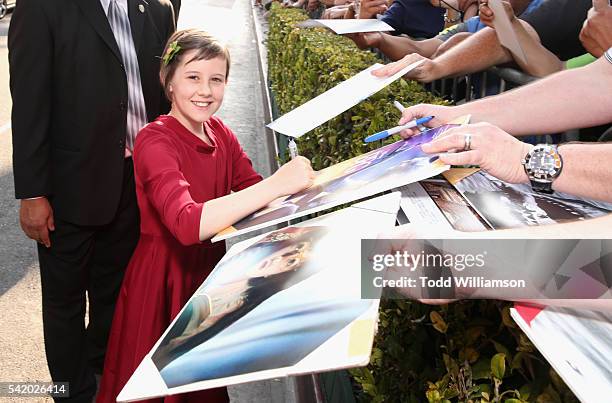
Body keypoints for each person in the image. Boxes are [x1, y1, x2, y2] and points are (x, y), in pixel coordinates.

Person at [96, 29, 315, 403]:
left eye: (217, 80)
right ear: (168, 80)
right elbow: (185, 223)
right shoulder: (154, 140)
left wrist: (307, 187)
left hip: (207, 281)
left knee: (199, 388)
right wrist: (277, 184)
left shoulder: (220, 133)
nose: (205, 91)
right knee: (154, 384)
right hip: (162, 282)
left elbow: (255, 190)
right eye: (193, 77)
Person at [8, 0, 175, 401]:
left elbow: (170, 93)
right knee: (64, 302)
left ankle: (103, 375)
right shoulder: (42, 8)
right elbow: (29, 104)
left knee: (116, 292)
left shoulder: (156, 9)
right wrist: (32, 193)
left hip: (137, 184)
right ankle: (70, 392)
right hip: (67, 189)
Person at [372, 0, 595, 82]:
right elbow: (557, 71)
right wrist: (379, 39)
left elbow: (554, 72)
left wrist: (438, 66)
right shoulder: (478, 21)